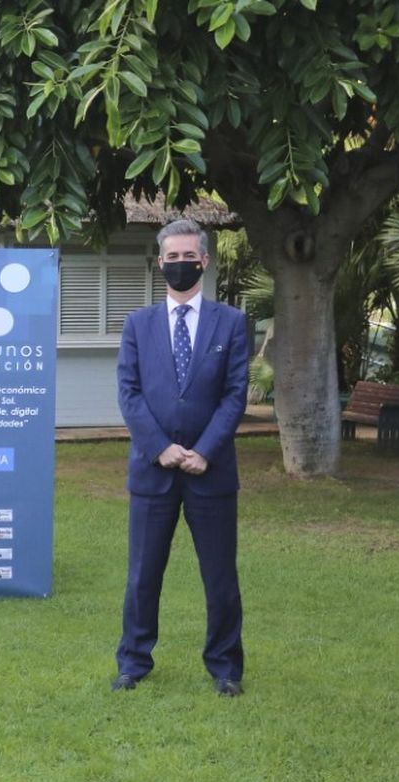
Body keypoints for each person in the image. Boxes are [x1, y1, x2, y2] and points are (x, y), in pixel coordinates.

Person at [112, 219, 252, 697]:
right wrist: (161, 448)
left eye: (188, 256)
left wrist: (205, 451)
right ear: (160, 263)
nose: (180, 264)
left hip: (211, 474)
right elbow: (129, 394)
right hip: (153, 471)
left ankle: (225, 668)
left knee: (220, 577)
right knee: (142, 576)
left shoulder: (230, 323)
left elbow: (235, 395)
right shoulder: (137, 325)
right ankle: (133, 662)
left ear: (204, 261)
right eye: (172, 257)